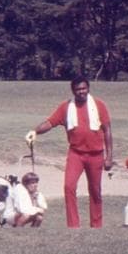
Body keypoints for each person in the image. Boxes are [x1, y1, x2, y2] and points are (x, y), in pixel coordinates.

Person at [26, 76, 113, 228]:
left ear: (88, 88)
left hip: (96, 155)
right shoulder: (66, 107)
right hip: (76, 154)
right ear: (73, 91)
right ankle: (73, 226)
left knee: (95, 190)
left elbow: (107, 131)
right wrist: (34, 131)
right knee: (69, 187)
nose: (81, 92)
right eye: (78, 89)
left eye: (84, 88)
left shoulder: (99, 105)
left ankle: (96, 226)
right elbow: (50, 122)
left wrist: (109, 156)